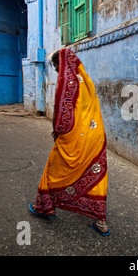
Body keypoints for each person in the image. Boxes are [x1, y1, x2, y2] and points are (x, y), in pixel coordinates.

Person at [29, 48, 110, 236]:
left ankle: (44, 207)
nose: (57, 71)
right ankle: (102, 222)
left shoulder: (67, 81)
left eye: (56, 67)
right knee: (95, 174)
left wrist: (57, 132)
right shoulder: (86, 80)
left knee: (53, 167)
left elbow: (63, 113)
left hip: (74, 137)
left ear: (61, 64)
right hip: (94, 136)